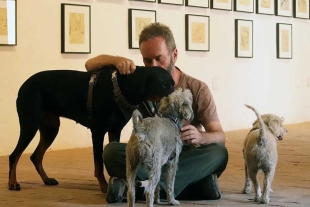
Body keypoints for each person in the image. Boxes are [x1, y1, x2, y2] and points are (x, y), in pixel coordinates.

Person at [85, 22, 228, 203]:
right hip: (150, 154)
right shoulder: (140, 81)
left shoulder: (197, 89)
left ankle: (140, 187)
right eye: (147, 60)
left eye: (159, 58)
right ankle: (194, 186)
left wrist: (201, 137)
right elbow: (89, 64)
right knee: (111, 151)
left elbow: (220, 136)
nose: (153, 65)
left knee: (218, 153)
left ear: (174, 54)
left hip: (183, 155)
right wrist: (115, 61)